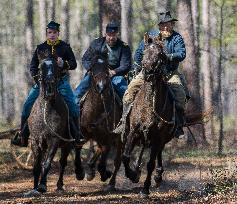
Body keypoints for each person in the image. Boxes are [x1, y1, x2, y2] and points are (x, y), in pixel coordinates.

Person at [114, 11, 189, 138]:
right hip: (148, 73)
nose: (165, 27)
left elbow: (182, 54)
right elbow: (138, 53)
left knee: (180, 95)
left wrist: (168, 56)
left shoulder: (177, 38)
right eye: (163, 24)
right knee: (129, 91)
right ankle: (123, 122)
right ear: (159, 26)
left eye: (168, 24)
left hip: (169, 73)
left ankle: (178, 126)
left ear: (172, 24)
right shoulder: (150, 36)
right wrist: (137, 66)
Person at [11, 21, 85, 147]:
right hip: (42, 84)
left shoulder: (65, 47)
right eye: (49, 33)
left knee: (73, 106)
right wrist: (37, 80)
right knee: (27, 105)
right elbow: (33, 66)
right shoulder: (40, 48)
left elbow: (73, 64)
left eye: (54, 33)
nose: (52, 35)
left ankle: (76, 135)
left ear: (58, 33)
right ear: (46, 33)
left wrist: (64, 64)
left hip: (60, 83)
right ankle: (23, 135)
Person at [74, 21, 132, 102]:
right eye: (109, 35)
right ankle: (74, 112)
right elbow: (86, 59)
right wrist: (92, 69)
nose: (111, 38)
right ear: (105, 34)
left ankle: (127, 112)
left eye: (114, 35)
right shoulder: (96, 43)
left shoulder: (124, 47)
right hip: (96, 74)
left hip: (114, 76)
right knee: (78, 92)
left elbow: (126, 65)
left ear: (117, 34)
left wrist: (114, 72)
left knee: (126, 94)